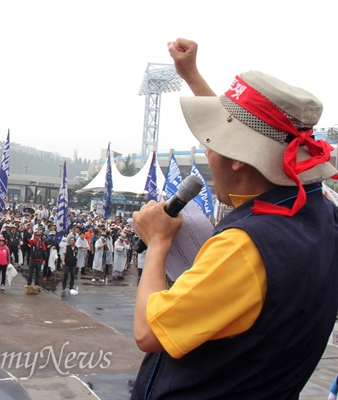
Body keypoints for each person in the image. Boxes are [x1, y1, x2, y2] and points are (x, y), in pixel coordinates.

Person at [130, 38, 338, 399]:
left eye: (213, 145)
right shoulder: (322, 216)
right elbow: (246, 135)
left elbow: (148, 332)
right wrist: (192, 76)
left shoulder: (244, 247)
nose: (209, 152)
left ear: (239, 158)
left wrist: (158, 242)